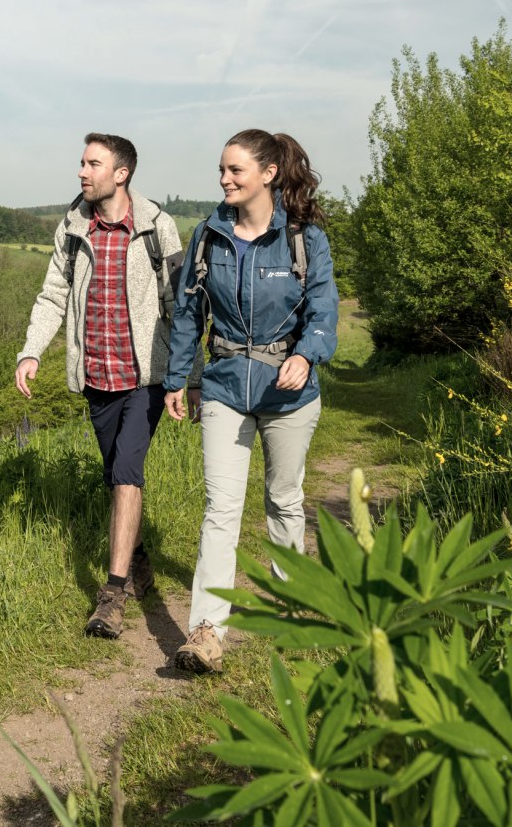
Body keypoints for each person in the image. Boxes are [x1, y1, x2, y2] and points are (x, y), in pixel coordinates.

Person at [160, 130, 338, 673]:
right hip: (224, 386)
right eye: (221, 170)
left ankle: (293, 606)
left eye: (235, 170)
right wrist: (180, 380)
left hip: (288, 393)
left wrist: (306, 355)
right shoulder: (208, 236)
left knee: (283, 499)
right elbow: (189, 314)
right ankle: (207, 631)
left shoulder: (304, 239)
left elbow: (323, 309)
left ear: (268, 174)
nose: (224, 179)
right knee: (221, 508)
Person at [16, 133, 191, 639]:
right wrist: (32, 350)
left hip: (145, 378)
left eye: (93, 163)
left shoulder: (159, 228)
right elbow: (53, 294)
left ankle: (111, 597)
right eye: (81, 162)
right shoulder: (72, 228)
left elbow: (182, 306)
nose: (81, 171)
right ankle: (137, 560)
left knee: (126, 475)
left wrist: (191, 377)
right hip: (96, 376)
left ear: (122, 173)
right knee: (115, 473)